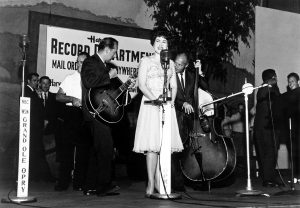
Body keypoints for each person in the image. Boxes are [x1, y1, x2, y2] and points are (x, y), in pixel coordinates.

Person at [133, 29, 183, 197]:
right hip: (150, 105)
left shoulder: (170, 63)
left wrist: (170, 102)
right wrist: (156, 99)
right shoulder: (146, 60)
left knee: (164, 146)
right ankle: (150, 183)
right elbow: (141, 85)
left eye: (165, 41)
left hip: (166, 107)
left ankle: (161, 183)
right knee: (152, 147)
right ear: (153, 43)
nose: (161, 44)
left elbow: (174, 86)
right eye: (158, 41)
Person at [81, 38, 120, 196]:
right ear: (108, 49)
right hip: (94, 112)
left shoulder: (106, 66)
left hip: (103, 112)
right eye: (115, 51)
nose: (115, 55)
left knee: (98, 149)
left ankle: (91, 186)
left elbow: (110, 91)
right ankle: (103, 186)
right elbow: (89, 82)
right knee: (105, 148)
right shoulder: (90, 62)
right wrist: (108, 76)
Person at [171, 51, 208, 191]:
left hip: (190, 119)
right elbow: (170, 95)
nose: (176, 66)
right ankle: (177, 184)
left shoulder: (192, 76)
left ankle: (193, 179)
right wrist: (183, 104)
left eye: (180, 64)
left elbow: (205, 86)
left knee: (188, 151)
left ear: (186, 65)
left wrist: (200, 71)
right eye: (175, 63)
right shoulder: (169, 75)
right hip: (176, 116)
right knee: (176, 151)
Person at [55, 52, 91, 191]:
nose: (80, 64)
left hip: (87, 116)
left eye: (83, 62)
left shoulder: (92, 80)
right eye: (78, 62)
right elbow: (58, 96)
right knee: (67, 151)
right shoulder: (70, 78)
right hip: (72, 115)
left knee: (84, 152)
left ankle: (79, 183)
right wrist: (71, 99)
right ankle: (62, 183)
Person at [253, 69, 284, 187]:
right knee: (270, 153)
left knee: (264, 154)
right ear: (273, 76)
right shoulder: (270, 86)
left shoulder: (262, 88)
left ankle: (267, 178)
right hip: (269, 127)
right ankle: (269, 178)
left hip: (260, 127)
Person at [24, 73, 53, 182]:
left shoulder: (32, 92)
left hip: (35, 128)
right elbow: (35, 110)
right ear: (28, 81)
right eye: (35, 80)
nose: (36, 83)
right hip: (33, 128)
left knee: (36, 153)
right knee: (38, 152)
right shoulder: (27, 92)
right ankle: (46, 176)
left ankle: (38, 176)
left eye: (37, 80)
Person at [222, 102, 246, 172]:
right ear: (238, 109)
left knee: (243, 151)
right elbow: (228, 124)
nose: (241, 110)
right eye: (240, 109)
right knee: (236, 151)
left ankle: (241, 167)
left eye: (242, 109)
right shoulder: (234, 116)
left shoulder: (246, 116)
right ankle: (235, 166)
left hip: (244, 135)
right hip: (236, 135)